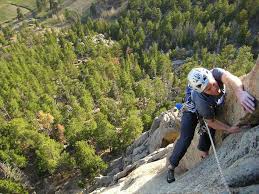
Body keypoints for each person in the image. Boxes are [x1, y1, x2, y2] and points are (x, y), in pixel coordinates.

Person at [167, 67, 255, 183]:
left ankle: (203, 150)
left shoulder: (215, 73)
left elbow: (229, 78)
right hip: (191, 110)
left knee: (211, 120)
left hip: (206, 104)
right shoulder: (201, 100)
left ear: (211, 76)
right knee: (186, 137)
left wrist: (240, 92)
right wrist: (229, 129)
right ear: (203, 91)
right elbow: (211, 122)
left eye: (213, 84)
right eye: (208, 89)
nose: (214, 89)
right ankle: (172, 166)